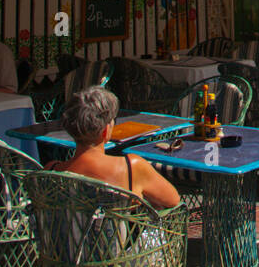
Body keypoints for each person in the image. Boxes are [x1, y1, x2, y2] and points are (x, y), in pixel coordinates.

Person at [44, 87, 181, 209]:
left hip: (64, 237)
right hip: (116, 238)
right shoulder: (131, 167)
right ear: (105, 131)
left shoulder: (51, 170)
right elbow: (173, 200)